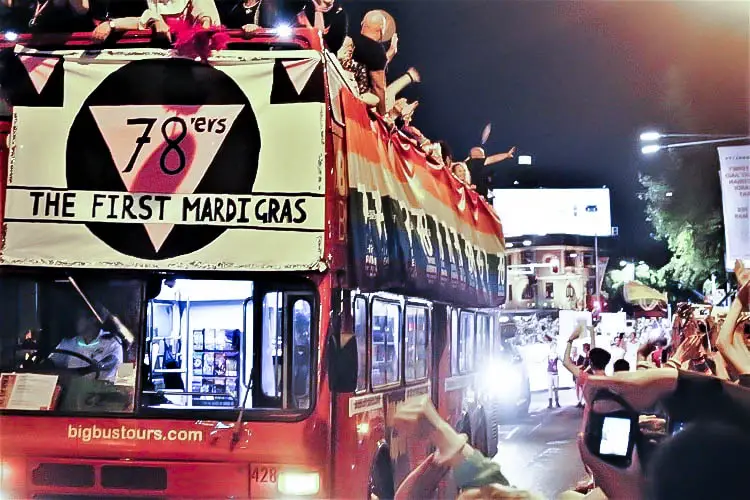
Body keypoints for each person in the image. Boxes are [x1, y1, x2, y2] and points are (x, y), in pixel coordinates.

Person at [50, 311, 124, 383]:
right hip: (72, 393)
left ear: (92, 319)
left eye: (78, 318)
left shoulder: (112, 342)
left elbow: (112, 360)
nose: (74, 322)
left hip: (102, 392)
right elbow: (51, 365)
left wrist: (99, 366)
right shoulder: (70, 342)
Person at [546, 337, 561, 408]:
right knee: (550, 388)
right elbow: (541, 360)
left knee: (556, 388)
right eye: (553, 347)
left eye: (555, 347)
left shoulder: (557, 354)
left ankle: (557, 402)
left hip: (555, 374)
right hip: (549, 374)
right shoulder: (548, 354)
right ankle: (550, 403)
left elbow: (563, 361)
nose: (554, 348)